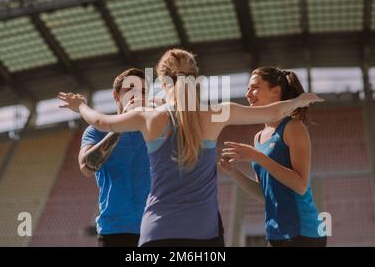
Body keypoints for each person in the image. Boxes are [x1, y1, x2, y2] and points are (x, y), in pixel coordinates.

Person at [59, 49, 323, 247]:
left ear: (162, 81)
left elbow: (100, 121)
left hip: (156, 235)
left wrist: (79, 105)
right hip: (204, 237)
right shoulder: (215, 115)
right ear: (195, 79)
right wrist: (299, 99)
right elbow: (273, 110)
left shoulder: (148, 117)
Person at [220, 67, 327, 247]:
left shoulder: (294, 127)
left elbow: (300, 186)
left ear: (275, 91)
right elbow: (265, 195)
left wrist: (257, 156)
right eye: (247, 89)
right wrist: (232, 172)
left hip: (303, 232)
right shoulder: (258, 137)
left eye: (254, 87)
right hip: (275, 233)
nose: (248, 93)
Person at [78, 68, 151, 247]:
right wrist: (119, 127)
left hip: (154, 229)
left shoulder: (157, 128)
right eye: (130, 89)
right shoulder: (96, 130)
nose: (137, 95)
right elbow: (87, 167)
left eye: (143, 91)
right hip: (114, 232)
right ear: (116, 95)